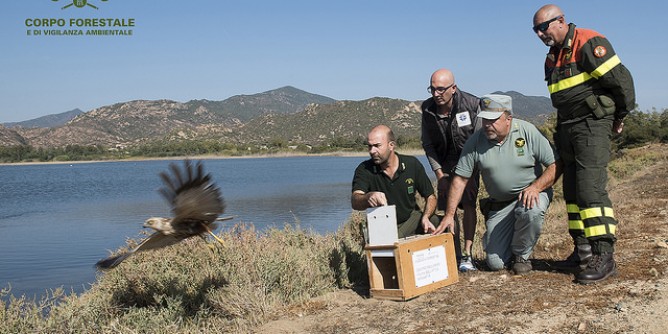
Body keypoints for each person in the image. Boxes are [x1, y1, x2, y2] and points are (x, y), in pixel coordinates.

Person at [532, 4, 635, 284]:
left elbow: (622, 82)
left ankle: (605, 255)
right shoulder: (551, 58)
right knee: (574, 192)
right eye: (536, 30)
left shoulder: (588, 42)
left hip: (592, 124)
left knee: (590, 190)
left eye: (545, 26)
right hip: (567, 127)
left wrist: (619, 116)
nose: (541, 34)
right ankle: (583, 250)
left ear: (561, 21)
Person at [433, 94, 558, 275]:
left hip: (530, 194)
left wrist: (536, 187)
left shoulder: (527, 131)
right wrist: (449, 214)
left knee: (531, 210)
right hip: (500, 205)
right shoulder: (476, 141)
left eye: (493, 120)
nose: (487, 125)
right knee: (495, 264)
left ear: (509, 119)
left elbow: (555, 165)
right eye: (484, 120)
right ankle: (506, 241)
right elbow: (460, 179)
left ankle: (521, 256)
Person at [421, 68, 482, 272]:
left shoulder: (473, 104)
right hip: (444, 163)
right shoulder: (427, 109)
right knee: (448, 209)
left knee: (469, 204)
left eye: (440, 89)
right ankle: (452, 255)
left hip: (469, 160)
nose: (436, 94)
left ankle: (467, 254)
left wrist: (470, 171)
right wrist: (440, 175)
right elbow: (428, 145)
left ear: (453, 88)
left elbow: (480, 139)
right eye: (432, 89)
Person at [352, 125, 440, 238]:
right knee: (393, 241)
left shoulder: (411, 164)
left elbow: (431, 197)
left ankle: (460, 255)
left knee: (445, 222)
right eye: (369, 146)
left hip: (411, 220)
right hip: (383, 226)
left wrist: (426, 217)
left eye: (377, 146)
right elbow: (355, 201)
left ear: (391, 145)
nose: (372, 151)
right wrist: (367, 197)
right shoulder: (364, 169)